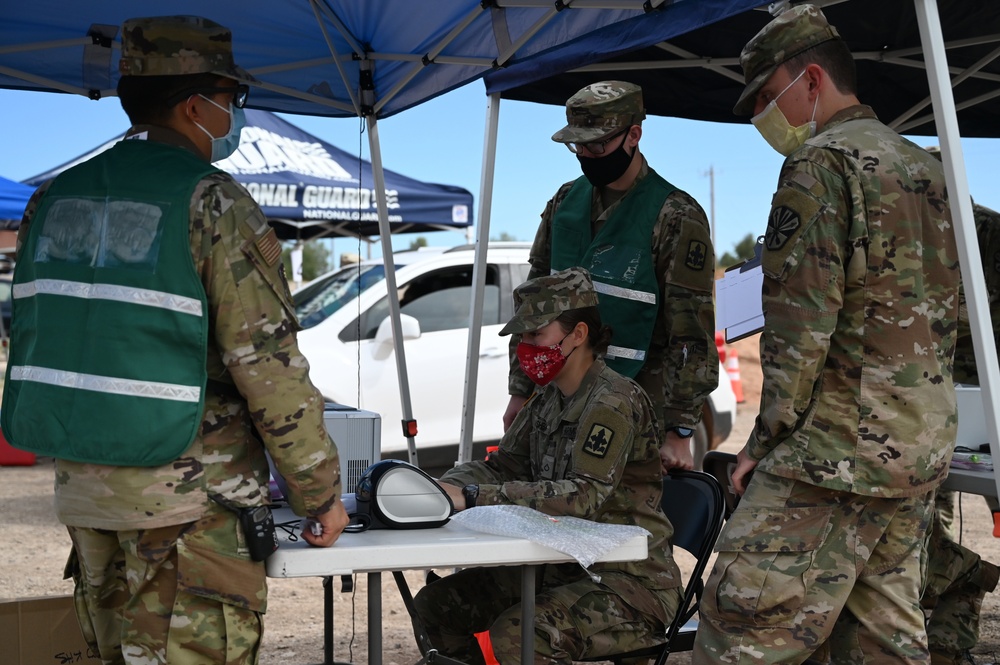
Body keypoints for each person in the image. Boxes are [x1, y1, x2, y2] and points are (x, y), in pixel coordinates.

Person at [1, 15, 349, 664]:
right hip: (189, 504)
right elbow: (268, 369)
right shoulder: (212, 202)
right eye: (232, 100)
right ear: (196, 105)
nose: (236, 115)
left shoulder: (54, 199)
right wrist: (319, 491)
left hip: (88, 491)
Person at [692, 5, 961, 664]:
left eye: (764, 97)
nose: (761, 115)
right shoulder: (928, 169)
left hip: (837, 450)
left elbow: (799, 321)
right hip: (918, 448)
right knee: (884, 636)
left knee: (739, 624)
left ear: (810, 82)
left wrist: (766, 438)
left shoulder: (821, 164)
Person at [414, 266, 682, 665]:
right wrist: (436, 491)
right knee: (435, 605)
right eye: (523, 336)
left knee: (521, 636)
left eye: (536, 334)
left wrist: (470, 497)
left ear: (578, 334)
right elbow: (503, 466)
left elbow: (583, 496)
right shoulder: (548, 397)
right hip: (560, 566)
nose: (526, 346)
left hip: (628, 583)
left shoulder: (613, 402)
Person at [502, 80, 719, 473]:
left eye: (597, 144)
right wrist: (520, 391)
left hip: (633, 408)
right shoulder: (565, 203)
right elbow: (532, 309)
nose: (585, 154)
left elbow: (692, 335)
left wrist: (680, 430)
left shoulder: (674, 215)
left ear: (634, 135)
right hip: (557, 405)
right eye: (577, 145)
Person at [920, 146, 1000, 665]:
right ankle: (949, 642)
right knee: (929, 526)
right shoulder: (907, 238)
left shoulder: (992, 236)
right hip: (927, 410)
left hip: (990, 406)